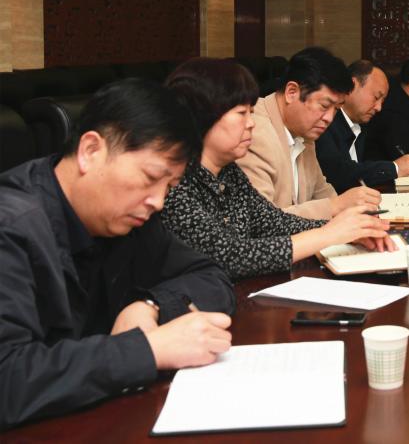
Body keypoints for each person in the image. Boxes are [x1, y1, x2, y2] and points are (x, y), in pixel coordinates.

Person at [0, 79, 236, 429]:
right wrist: (148, 350)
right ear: (90, 151)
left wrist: (149, 306)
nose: (158, 201)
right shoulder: (11, 226)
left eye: (169, 187)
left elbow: (212, 276)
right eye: (150, 177)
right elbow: (8, 379)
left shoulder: (131, 220)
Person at [163, 58, 392, 281]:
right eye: (242, 113)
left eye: (251, 112)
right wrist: (328, 233)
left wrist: (347, 231)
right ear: (203, 117)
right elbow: (230, 255)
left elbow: (273, 222)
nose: (251, 122)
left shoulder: (229, 172)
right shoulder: (175, 182)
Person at [237, 47, 380, 220]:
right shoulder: (253, 131)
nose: (329, 118)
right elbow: (262, 221)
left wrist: (349, 212)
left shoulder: (303, 133)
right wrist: (335, 206)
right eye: (324, 106)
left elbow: (322, 191)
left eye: (336, 109)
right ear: (292, 92)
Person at [317, 59, 409, 192]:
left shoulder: (364, 125)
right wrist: (394, 168)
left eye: (382, 101)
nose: (379, 108)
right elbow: (338, 172)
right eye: (376, 97)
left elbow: (365, 167)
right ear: (352, 85)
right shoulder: (325, 122)